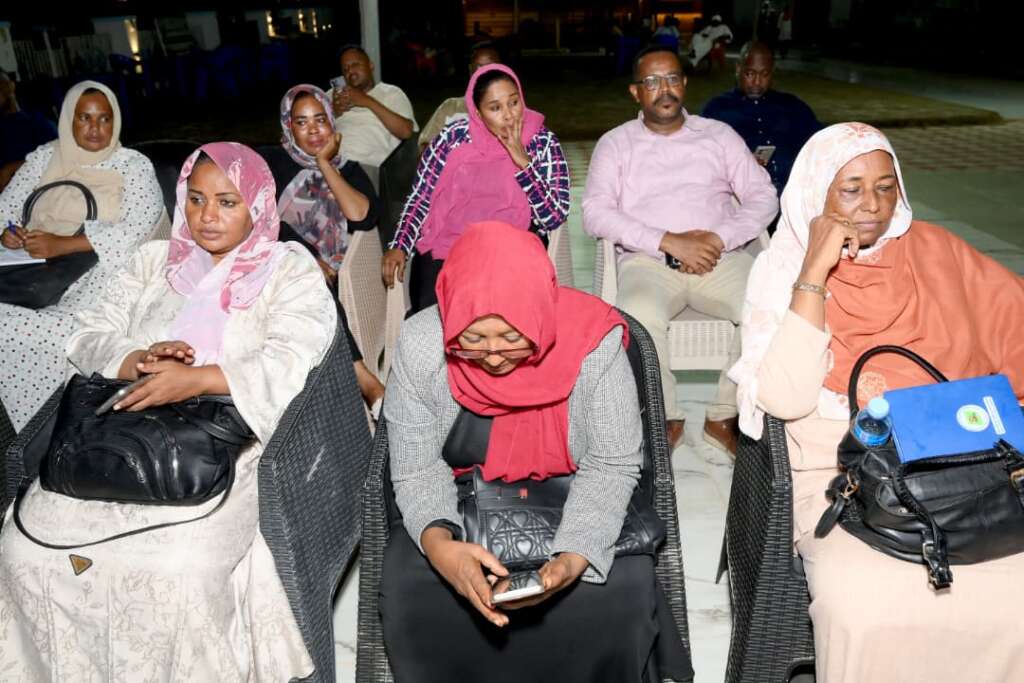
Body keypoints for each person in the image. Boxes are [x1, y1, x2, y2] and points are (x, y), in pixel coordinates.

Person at [0, 142, 337, 680]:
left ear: (256, 204)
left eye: (227, 201)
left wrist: (197, 378)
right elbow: (87, 334)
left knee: (178, 568)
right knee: (25, 549)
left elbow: (295, 362)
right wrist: (138, 359)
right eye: (196, 199)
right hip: (122, 431)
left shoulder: (286, 272)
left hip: (226, 441)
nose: (207, 216)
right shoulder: (152, 262)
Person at [729, 122, 1024, 682]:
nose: (872, 204)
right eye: (852, 189)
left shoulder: (937, 253)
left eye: (886, 187)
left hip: (957, 471)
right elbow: (785, 398)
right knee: (864, 609)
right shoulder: (782, 266)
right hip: (841, 481)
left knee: (1014, 601)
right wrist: (813, 273)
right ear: (816, 193)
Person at [379, 221, 692, 683]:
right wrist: (441, 547)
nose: (493, 355)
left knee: (620, 589)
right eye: (473, 339)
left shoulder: (591, 341)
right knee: (409, 585)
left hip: (577, 491)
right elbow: (416, 466)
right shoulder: (422, 343)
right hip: (462, 495)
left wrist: (575, 555)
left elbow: (612, 463)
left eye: (511, 337)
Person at [582, 45, 777, 453]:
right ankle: (666, 417)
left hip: (719, 257)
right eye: (652, 82)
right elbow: (595, 213)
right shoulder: (615, 144)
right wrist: (669, 241)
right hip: (648, 261)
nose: (664, 89)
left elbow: (763, 196)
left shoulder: (718, 135)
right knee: (638, 315)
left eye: (672, 78)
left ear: (684, 84)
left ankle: (724, 416)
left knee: (767, 306)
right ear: (636, 91)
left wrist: (717, 238)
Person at [0, 80, 162, 431]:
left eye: (104, 119)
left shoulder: (132, 166)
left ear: (115, 121)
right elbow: (6, 207)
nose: (95, 129)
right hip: (33, 270)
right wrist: (9, 233)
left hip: (101, 270)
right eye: (84, 118)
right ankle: (29, 425)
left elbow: (139, 226)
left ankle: (51, 422)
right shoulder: (45, 158)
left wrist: (65, 244)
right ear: (67, 120)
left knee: (50, 330)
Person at [382, 64, 569, 313]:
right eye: (495, 108)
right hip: (450, 247)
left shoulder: (542, 141)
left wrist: (524, 164)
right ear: (478, 113)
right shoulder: (452, 139)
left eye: (514, 103)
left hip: (514, 251)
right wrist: (400, 244)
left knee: (504, 314)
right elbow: (421, 198)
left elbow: (554, 217)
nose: (509, 115)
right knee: (433, 314)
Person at [278, 84, 385, 413]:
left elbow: (362, 216)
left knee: (314, 285)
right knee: (306, 276)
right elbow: (265, 221)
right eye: (301, 122)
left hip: (341, 277)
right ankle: (360, 377)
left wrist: (325, 164)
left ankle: (356, 380)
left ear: (332, 123)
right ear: (289, 127)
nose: (313, 130)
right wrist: (307, 255)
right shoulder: (275, 165)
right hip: (285, 267)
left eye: (320, 119)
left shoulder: (350, 170)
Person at [702, 41, 821, 203]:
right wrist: (738, 163)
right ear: (738, 69)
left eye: (764, 74)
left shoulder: (792, 106)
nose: (757, 82)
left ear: (772, 73)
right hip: (741, 198)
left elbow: (821, 140)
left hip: (793, 195)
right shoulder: (717, 110)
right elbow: (703, 158)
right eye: (750, 74)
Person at [330, 44, 418, 167]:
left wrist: (366, 100)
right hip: (332, 164)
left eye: (355, 65)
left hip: (367, 166)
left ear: (370, 65)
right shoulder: (334, 95)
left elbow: (406, 132)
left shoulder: (391, 93)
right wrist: (333, 113)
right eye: (345, 69)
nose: (350, 71)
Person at [417, 44, 501, 151]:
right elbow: (425, 148)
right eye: (479, 67)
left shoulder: (511, 111)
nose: (484, 73)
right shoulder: (451, 108)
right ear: (470, 70)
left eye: (491, 67)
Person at [0, 72, 57, 192]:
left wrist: (13, 168)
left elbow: (59, 156)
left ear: (10, 86)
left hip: (39, 191)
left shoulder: (37, 122)